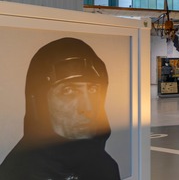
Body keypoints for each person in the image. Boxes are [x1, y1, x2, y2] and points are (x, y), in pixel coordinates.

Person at [0, 37, 120, 179]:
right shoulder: (19, 172)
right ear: (39, 102)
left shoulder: (104, 165)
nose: (87, 107)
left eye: (93, 89)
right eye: (69, 91)